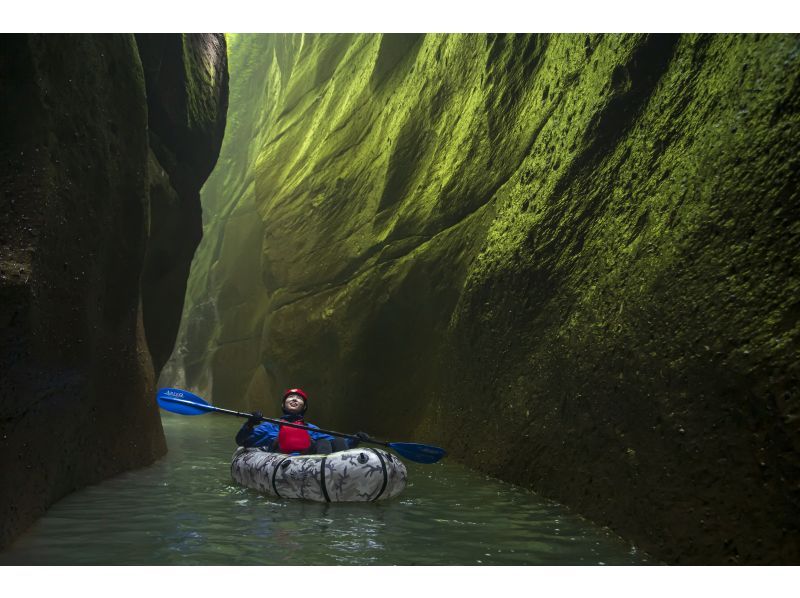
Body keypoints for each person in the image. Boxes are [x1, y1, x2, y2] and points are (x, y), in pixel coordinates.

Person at [235, 388, 369, 455]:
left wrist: (355, 439)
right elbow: (243, 441)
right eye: (291, 397)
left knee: (333, 440)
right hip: (281, 460)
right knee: (289, 437)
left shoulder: (311, 428)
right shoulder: (271, 425)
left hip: (309, 464)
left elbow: (341, 444)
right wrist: (250, 423)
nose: (294, 399)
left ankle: (337, 471)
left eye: (298, 398)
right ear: (283, 405)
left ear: (304, 407)